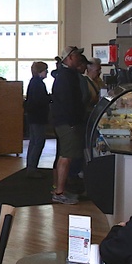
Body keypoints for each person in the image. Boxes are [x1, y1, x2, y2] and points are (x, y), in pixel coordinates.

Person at [50, 46, 85, 205]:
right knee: (66, 157)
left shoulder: (66, 74)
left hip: (64, 121)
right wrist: (73, 122)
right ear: (69, 57)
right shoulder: (66, 76)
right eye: (77, 55)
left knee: (63, 156)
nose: (79, 58)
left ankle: (58, 189)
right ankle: (59, 193)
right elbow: (68, 101)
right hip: (67, 122)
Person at [24, 61, 51, 179]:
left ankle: (31, 166)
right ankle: (32, 168)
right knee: (38, 142)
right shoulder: (38, 84)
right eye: (45, 70)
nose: (47, 72)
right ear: (40, 71)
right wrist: (50, 98)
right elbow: (40, 100)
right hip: (38, 117)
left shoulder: (33, 82)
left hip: (33, 116)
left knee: (34, 142)